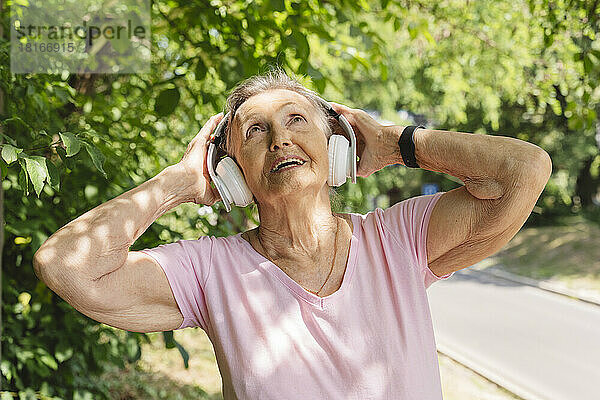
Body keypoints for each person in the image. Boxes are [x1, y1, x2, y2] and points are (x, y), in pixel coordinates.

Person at [33, 68, 552, 399]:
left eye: (297, 119)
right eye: (255, 131)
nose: (280, 138)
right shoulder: (209, 271)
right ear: (231, 174)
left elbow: (524, 172)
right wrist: (180, 182)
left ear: (339, 149)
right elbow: (65, 266)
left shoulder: (398, 240)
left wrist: (397, 143)